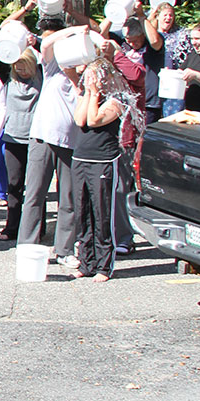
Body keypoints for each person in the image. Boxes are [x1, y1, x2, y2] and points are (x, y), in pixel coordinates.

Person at [20, 24, 86, 267]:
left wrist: (77, 79)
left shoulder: (87, 81)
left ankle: (64, 250)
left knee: (68, 198)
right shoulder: (52, 70)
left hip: (71, 143)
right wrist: (77, 29)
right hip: (42, 137)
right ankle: (27, 246)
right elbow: (46, 44)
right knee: (35, 193)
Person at [71, 58, 128, 282]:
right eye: (88, 76)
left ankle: (104, 265)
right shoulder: (88, 96)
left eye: (93, 77)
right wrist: (87, 93)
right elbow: (79, 119)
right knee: (82, 212)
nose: (89, 80)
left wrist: (94, 94)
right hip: (81, 159)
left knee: (101, 213)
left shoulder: (115, 101)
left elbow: (94, 120)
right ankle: (86, 263)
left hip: (102, 161)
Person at [0, 49, 40, 241]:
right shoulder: (9, 81)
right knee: (14, 185)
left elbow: (48, 59)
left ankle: (36, 228)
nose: (22, 72)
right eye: (18, 68)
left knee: (35, 186)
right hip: (13, 137)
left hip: (35, 137)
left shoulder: (41, 79)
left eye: (25, 68)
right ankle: (12, 226)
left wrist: (33, 42)